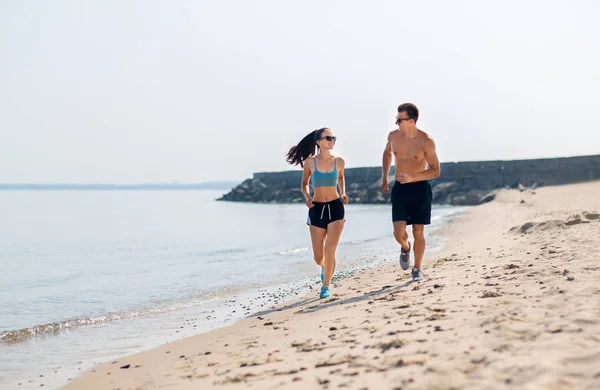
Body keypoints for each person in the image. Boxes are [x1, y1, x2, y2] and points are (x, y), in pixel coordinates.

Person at [286, 127, 349, 299]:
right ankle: (324, 267)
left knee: (330, 251)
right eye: (328, 138)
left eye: (333, 138)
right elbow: (304, 183)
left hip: (336, 207)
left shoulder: (339, 161)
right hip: (316, 209)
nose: (332, 141)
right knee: (318, 257)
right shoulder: (310, 162)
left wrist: (343, 192)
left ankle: (326, 286)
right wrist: (307, 197)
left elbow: (341, 177)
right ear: (318, 142)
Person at [381, 103, 441, 282]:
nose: (396, 122)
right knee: (398, 233)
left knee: (418, 232)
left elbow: (435, 170)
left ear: (411, 121)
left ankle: (417, 268)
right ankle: (405, 247)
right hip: (400, 188)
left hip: (420, 188)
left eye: (400, 119)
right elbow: (387, 154)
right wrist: (385, 177)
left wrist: (413, 177)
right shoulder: (393, 136)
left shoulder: (426, 141)